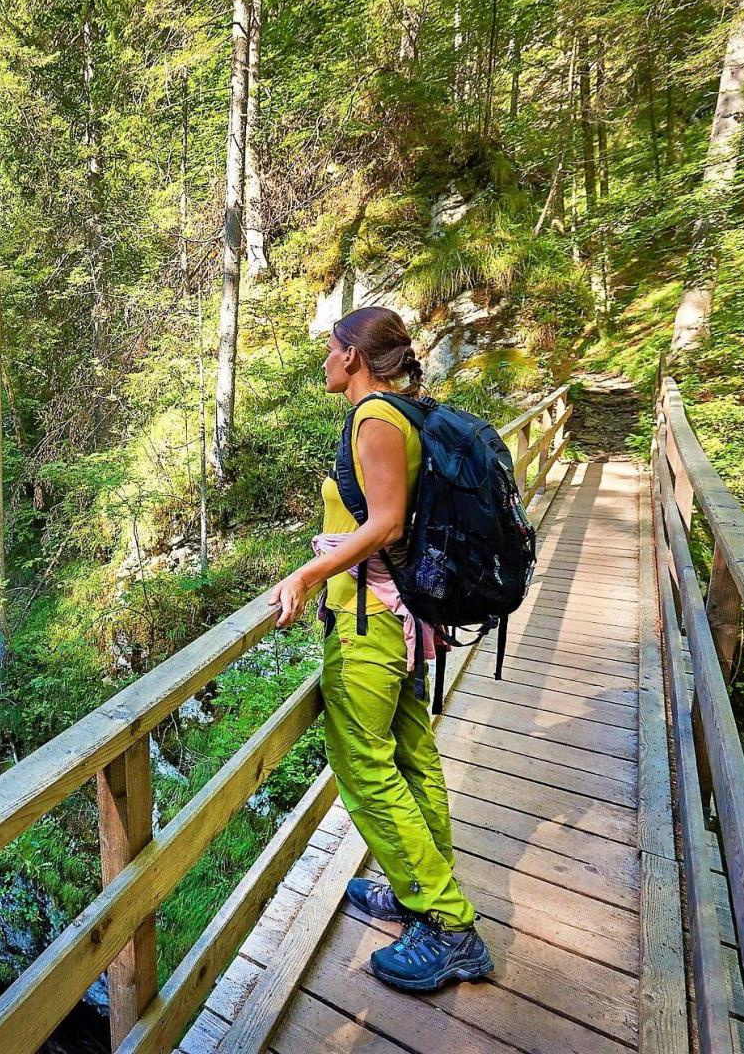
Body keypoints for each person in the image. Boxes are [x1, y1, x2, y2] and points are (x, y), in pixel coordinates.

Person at [266, 306, 493, 993]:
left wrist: (306, 575)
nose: (324, 360)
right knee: (411, 754)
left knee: (363, 765)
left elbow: (388, 523)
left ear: (354, 357)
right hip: (400, 614)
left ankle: (448, 926)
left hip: (371, 620)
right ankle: (420, 886)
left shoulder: (375, 418)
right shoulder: (405, 412)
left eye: (331, 349)